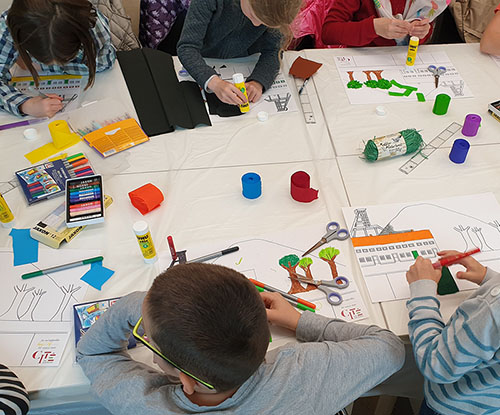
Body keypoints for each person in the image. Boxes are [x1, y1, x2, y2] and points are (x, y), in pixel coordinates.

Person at [77, 263, 405, 414]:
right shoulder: (304, 370)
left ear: (186, 382)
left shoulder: (141, 404)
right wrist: (300, 321)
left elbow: (93, 355)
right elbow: (390, 348)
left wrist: (138, 305)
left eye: (146, 336)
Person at [406, 251, 500, 415]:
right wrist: (489, 279)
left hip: (456, 405)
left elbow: (436, 363)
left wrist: (422, 292)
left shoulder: (494, 310)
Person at [0, 0, 116, 118]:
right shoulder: (9, 25)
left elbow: (104, 64)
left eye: (67, 58)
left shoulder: (93, 25)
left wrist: (36, 66)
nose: (54, 65)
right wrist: (25, 105)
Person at [177, 0, 302, 107]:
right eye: (253, 16)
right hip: (203, 59)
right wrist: (214, 82)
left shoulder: (278, 8)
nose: (256, 25)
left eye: (264, 24)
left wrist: (258, 82)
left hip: (245, 60)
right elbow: (187, 47)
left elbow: (273, 50)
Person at [322, 0, 450, 48]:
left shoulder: (429, 2)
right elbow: (329, 32)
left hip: (402, 62)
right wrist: (373, 27)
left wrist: (421, 32)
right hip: (363, 58)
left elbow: (424, 28)